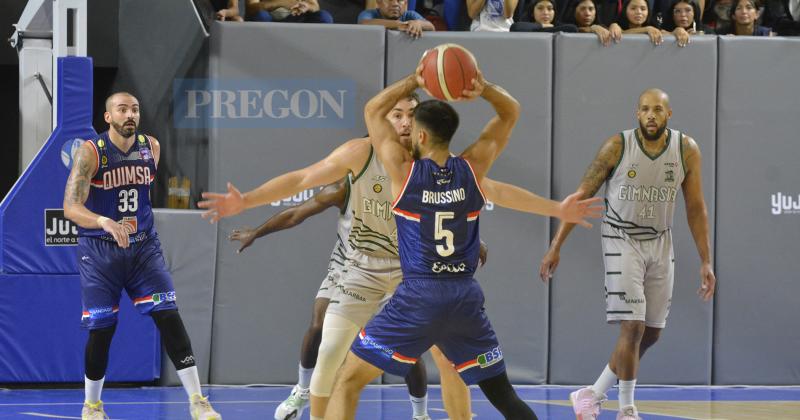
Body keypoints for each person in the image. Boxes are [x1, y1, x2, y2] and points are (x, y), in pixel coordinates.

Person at [323, 61, 603, 418]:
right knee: (503, 395)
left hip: (419, 295)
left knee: (348, 380)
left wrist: (416, 79)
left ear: (420, 136)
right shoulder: (473, 169)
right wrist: (482, 87)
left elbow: (372, 110)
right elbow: (511, 111)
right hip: (464, 297)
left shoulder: (403, 173)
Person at [228, 96, 484, 420]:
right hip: (357, 262)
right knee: (325, 336)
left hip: (410, 270)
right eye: (397, 115)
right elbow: (299, 203)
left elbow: (447, 212)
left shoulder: (429, 164)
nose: (404, 122)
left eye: (412, 116)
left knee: (420, 351)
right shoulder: (357, 163)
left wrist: (475, 240)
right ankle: (302, 392)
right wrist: (256, 226)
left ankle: (422, 414)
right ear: (380, 123)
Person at [539, 88, 716, 420]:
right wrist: (555, 246)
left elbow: (696, 208)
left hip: (660, 239)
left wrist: (706, 259)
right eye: (645, 109)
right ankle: (627, 409)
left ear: (669, 114)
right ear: (637, 114)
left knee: (651, 333)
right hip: (621, 237)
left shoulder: (686, 150)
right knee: (632, 326)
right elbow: (581, 197)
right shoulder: (617, 146)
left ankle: (592, 393)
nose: (651, 115)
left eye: (658, 110)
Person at [63, 92, 220, 420]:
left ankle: (198, 401)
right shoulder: (91, 153)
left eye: (134, 108)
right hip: (100, 250)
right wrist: (104, 221)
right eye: (122, 109)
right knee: (102, 328)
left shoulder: (151, 147)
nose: (130, 114)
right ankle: (92, 406)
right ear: (108, 117)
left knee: (169, 315)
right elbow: (71, 207)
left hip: (143, 248)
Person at [359, 0, 436, 39]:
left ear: (406, 3)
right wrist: (398, 24)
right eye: (389, 0)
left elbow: (431, 27)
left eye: (400, 0)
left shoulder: (410, 15)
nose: (395, 4)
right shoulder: (369, 14)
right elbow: (364, 23)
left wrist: (418, 23)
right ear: (379, 2)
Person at [510, 0, 579, 32]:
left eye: (549, 9)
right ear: (532, 12)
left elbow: (573, 28)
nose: (546, 13)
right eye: (540, 8)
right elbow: (515, 27)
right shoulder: (526, 25)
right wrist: (542, 26)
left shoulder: (558, 26)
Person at [245, 0, 333, 23]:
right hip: (270, 18)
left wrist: (307, 6)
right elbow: (251, 8)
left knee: (324, 17)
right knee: (261, 16)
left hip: (297, 17)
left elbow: (315, 6)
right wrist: (284, 3)